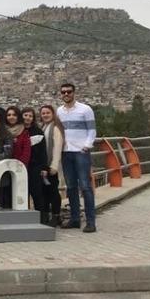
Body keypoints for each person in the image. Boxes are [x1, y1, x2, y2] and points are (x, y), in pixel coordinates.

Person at [57, 83, 97, 233]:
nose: (66, 94)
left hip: (80, 152)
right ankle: (75, 219)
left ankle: (91, 221)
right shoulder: (59, 111)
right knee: (71, 187)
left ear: (74, 92)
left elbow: (92, 130)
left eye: (69, 92)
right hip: (66, 152)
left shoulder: (85, 109)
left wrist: (86, 146)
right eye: (63, 92)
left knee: (85, 186)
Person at [39, 105, 64, 227]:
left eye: (47, 112)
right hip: (45, 165)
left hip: (52, 166)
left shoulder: (55, 128)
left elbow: (57, 147)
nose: (45, 115)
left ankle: (56, 215)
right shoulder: (43, 127)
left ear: (53, 113)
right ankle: (49, 215)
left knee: (53, 191)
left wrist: (54, 166)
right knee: (46, 191)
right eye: (43, 113)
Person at [1, 106, 31, 210]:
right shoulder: (2, 131)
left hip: (19, 168)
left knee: (18, 195)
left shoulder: (24, 132)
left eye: (14, 115)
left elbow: (26, 151)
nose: (11, 117)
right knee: (5, 194)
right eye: (9, 115)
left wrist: (20, 165)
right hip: (4, 168)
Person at [23, 107, 48, 221]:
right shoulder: (18, 130)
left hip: (35, 166)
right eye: (25, 115)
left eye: (30, 116)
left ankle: (42, 218)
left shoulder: (38, 132)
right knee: (23, 193)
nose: (27, 118)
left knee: (37, 192)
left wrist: (44, 167)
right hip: (22, 166)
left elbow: (43, 151)